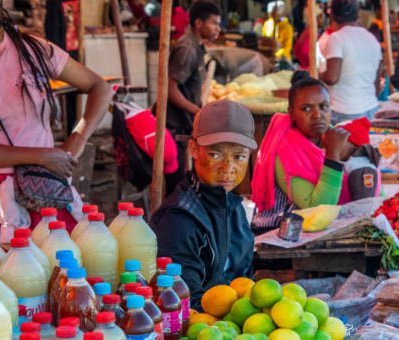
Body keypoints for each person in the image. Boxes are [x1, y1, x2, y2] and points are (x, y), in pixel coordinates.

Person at [0, 0, 110, 245]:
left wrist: (76, 139)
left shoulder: (33, 50)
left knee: (69, 276)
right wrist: (39, 156)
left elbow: (100, 87)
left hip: (47, 192)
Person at [150, 99, 256, 306]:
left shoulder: (233, 205)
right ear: (194, 149)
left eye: (239, 157)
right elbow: (185, 301)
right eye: (215, 154)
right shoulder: (178, 220)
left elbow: (243, 275)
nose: (228, 167)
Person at [251, 71, 352, 232]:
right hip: (285, 232)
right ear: (292, 113)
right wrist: (333, 157)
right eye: (306, 108)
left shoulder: (332, 136)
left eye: (324, 107)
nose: (317, 115)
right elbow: (318, 208)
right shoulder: (285, 152)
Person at [163, 1, 221, 193]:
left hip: (184, 124)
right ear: (198, 23)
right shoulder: (187, 49)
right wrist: (198, 111)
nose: (218, 29)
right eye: (214, 23)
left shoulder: (196, 46)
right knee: (178, 186)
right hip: (175, 125)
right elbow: (169, 89)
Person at [319, 0, 383, 125]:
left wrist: (316, 73)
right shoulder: (371, 38)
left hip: (343, 112)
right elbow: (376, 80)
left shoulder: (336, 38)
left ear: (331, 15)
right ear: (358, 14)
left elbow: (332, 78)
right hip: (371, 109)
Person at [336, 118, 382, 201]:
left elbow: (362, 203)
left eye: (339, 141)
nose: (334, 145)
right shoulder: (354, 163)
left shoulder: (362, 167)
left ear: (355, 146)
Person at [293, 2, 325, 71]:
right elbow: (305, 52)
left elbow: (296, 49)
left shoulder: (306, 31)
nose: (323, 20)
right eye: (320, 16)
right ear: (314, 18)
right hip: (309, 70)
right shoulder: (312, 33)